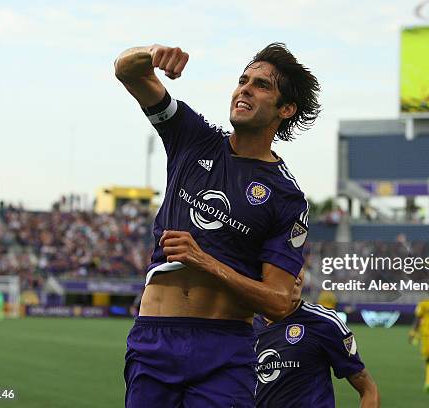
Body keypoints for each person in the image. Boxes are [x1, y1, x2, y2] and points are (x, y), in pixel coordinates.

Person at [115, 42, 320, 407]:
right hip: (154, 341)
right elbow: (126, 71)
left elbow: (278, 302)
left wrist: (204, 261)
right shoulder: (192, 138)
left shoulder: (287, 197)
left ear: (286, 109)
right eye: (243, 80)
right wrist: (153, 53)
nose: (245, 88)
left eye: (262, 85)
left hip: (225, 351)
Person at [254, 270, 379, 407]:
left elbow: (368, 389)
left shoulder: (324, 322)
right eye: (288, 268)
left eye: (299, 267)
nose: (298, 279)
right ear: (263, 273)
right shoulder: (247, 329)